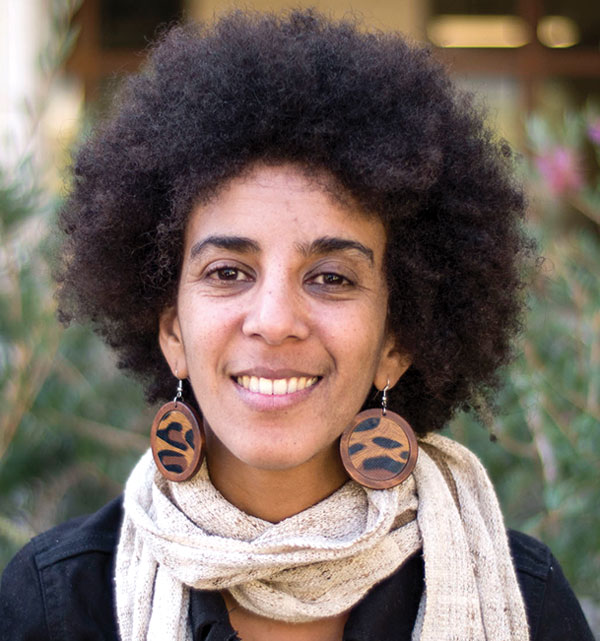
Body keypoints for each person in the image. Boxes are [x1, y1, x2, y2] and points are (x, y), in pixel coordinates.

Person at [0, 9, 594, 641]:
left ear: (395, 343)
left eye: (331, 278)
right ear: (173, 333)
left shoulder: (522, 596)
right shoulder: (61, 604)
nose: (275, 321)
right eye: (229, 272)